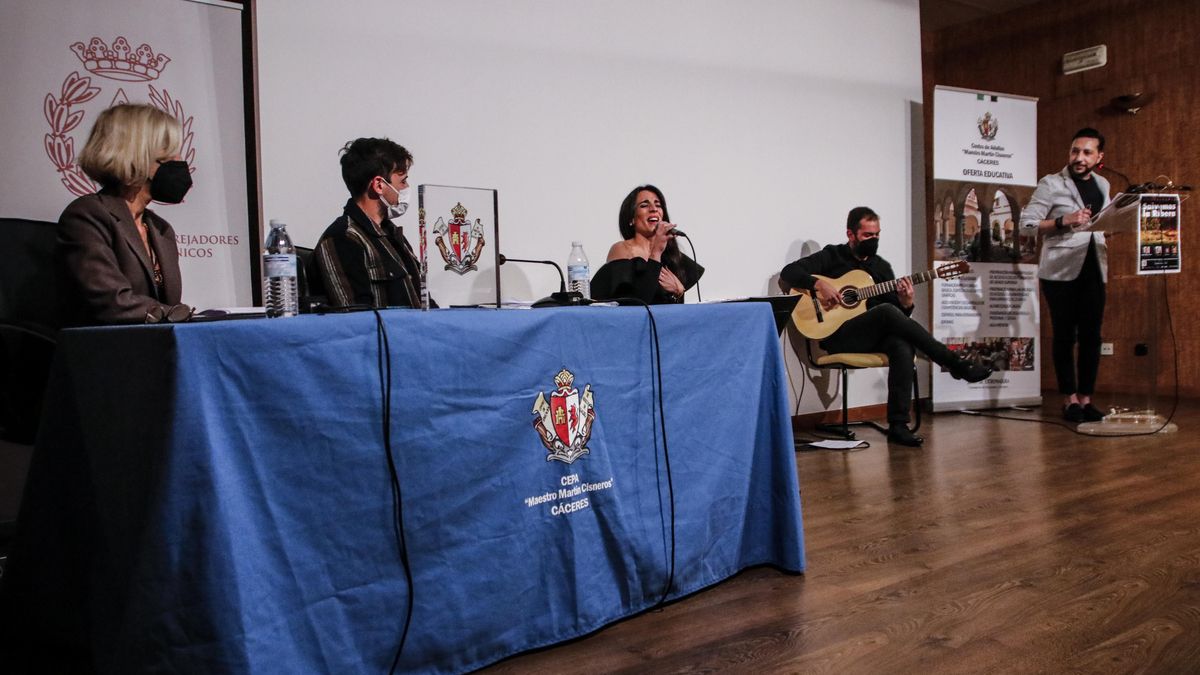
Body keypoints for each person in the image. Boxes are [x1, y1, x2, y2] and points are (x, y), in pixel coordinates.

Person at [780, 206, 993, 446]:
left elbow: (897, 319)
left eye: (877, 235)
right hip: (833, 336)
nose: (874, 240)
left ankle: (898, 426)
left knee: (901, 344)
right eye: (867, 236)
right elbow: (790, 272)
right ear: (851, 235)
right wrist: (819, 284)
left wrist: (907, 303)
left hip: (866, 336)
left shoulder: (881, 268)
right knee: (886, 313)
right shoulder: (832, 256)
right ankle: (955, 363)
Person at [56, 103, 193, 326]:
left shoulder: (160, 229)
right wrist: (179, 315)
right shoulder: (87, 215)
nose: (179, 162)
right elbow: (112, 303)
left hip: (152, 350)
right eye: (168, 156)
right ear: (136, 156)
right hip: (104, 352)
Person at [1019, 128, 1110, 423]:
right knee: (1064, 336)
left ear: (1099, 157)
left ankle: (1086, 398)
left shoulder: (1103, 183)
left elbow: (1100, 222)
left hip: (1094, 266)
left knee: (1092, 336)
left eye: (1086, 152)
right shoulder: (1052, 183)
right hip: (1059, 270)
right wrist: (1063, 220)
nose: (1079, 158)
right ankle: (1069, 399)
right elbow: (1026, 224)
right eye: (1075, 151)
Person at [315, 137, 433, 309]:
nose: (406, 187)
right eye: (402, 181)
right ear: (379, 185)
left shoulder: (393, 236)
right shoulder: (343, 238)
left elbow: (426, 303)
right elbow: (357, 319)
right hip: (388, 335)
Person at [590, 184, 703, 304]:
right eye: (644, 205)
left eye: (658, 205)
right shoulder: (622, 249)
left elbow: (675, 309)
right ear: (631, 219)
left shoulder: (671, 255)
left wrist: (679, 291)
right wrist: (656, 253)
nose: (654, 209)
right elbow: (637, 304)